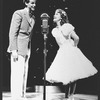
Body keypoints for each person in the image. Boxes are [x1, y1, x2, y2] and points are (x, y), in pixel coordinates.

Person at [45, 9, 98, 99]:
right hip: (62, 52)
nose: (54, 15)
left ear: (61, 17)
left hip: (70, 50)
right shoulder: (54, 30)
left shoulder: (67, 26)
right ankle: (66, 96)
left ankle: (71, 95)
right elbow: (59, 43)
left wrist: (74, 46)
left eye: (57, 14)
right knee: (66, 73)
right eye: (54, 14)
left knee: (73, 73)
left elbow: (76, 38)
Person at [7, 0, 37, 99]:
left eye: (35, 3)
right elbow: (13, 32)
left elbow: (29, 35)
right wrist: (14, 49)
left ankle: (22, 95)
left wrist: (29, 48)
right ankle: (16, 97)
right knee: (17, 73)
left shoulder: (33, 17)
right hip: (18, 48)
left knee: (24, 73)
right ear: (26, 3)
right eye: (32, 3)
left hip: (27, 48)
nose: (34, 5)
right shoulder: (19, 13)